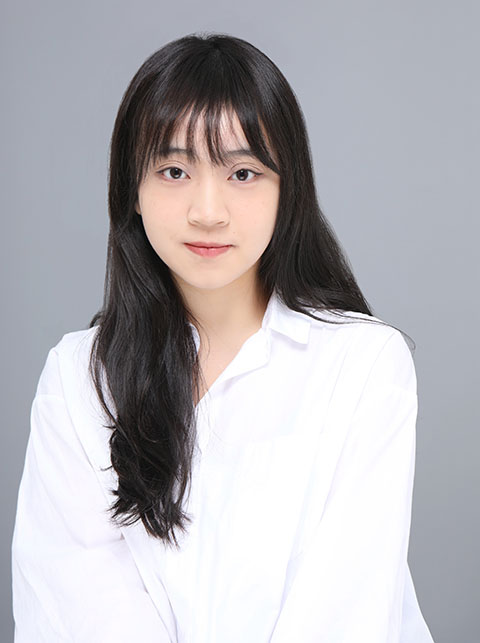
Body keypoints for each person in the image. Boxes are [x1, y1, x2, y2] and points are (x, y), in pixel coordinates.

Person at [11, 32, 436, 642]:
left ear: (288, 190)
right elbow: (74, 617)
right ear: (131, 188)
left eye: (242, 172)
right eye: (175, 169)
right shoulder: (79, 380)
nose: (207, 210)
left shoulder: (364, 363)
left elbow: (345, 615)